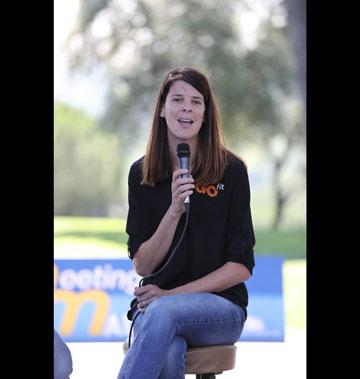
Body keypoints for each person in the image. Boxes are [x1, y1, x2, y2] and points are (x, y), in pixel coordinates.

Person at [117, 67, 255, 379]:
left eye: (196, 102)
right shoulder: (141, 175)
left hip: (220, 309)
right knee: (167, 350)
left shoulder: (231, 171)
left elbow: (241, 266)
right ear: (162, 110)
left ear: (205, 115)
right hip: (156, 308)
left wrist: (171, 296)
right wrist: (174, 211)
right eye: (177, 99)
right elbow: (143, 265)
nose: (186, 108)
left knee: (163, 313)